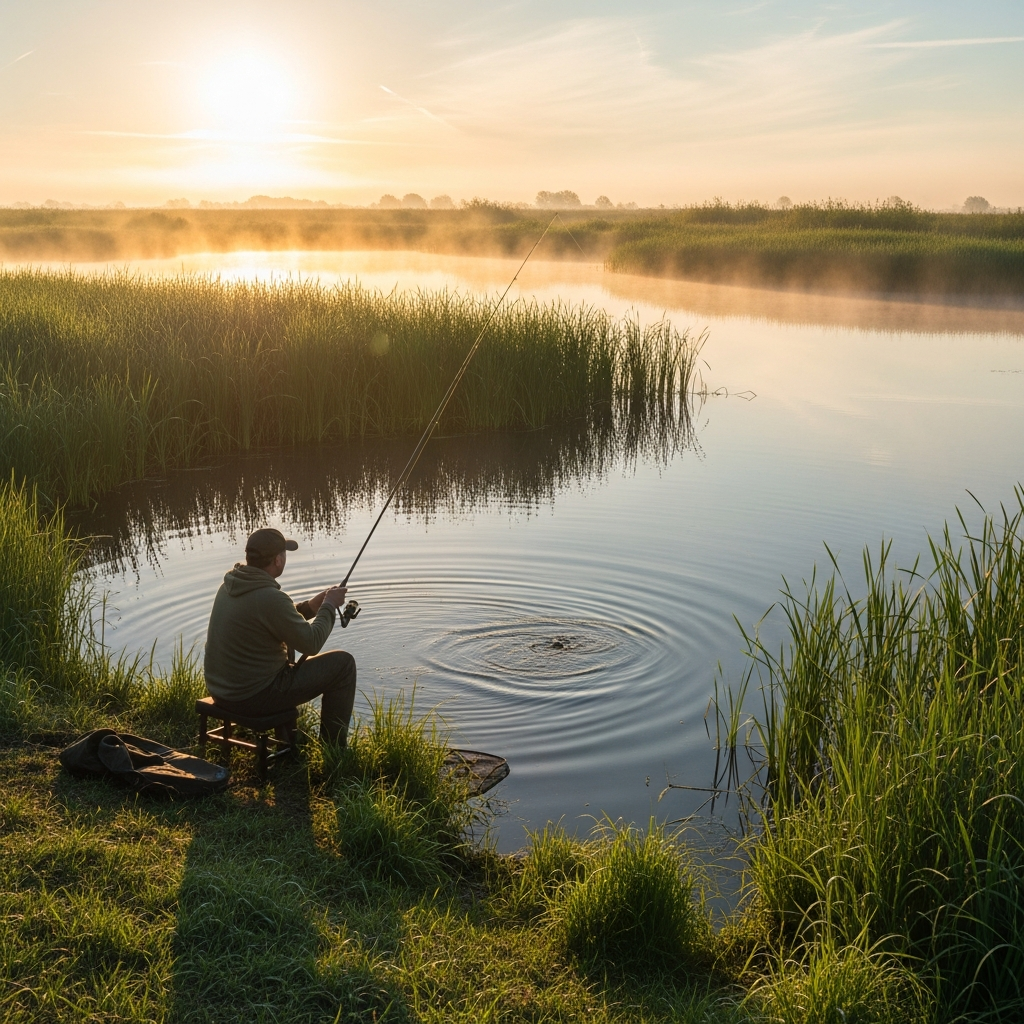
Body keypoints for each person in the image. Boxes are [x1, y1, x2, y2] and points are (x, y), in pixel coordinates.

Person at [203, 527, 356, 745]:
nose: (285, 557)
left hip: (222, 691)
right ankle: (333, 750)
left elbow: (272, 619)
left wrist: (314, 606)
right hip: (251, 698)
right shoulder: (270, 598)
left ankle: (289, 740)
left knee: (289, 650)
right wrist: (330, 606)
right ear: (277, 560)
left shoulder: (229, 586)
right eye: (284, 553)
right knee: (343, 665)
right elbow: (311, 644)